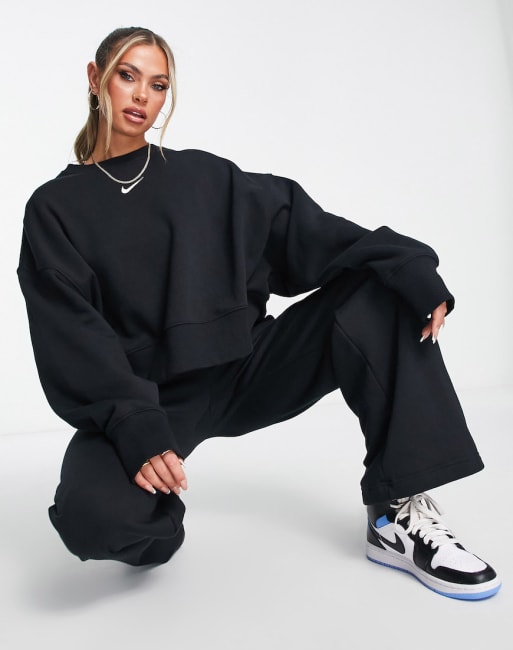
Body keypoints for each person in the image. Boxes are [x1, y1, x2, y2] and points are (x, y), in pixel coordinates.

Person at [17, 26, 500, 600]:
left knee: (382, 286)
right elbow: (72, 336)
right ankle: (159, 520)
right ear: (96, 78)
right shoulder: (54, 210)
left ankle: (394, 515)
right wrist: (135, 428)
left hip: (250, 367)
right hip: (149, 402)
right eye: (128, 75)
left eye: (158, 84)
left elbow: (305, 230)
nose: (143, 95)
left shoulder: (204, 177)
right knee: (91, 518)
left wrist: (409, 267)